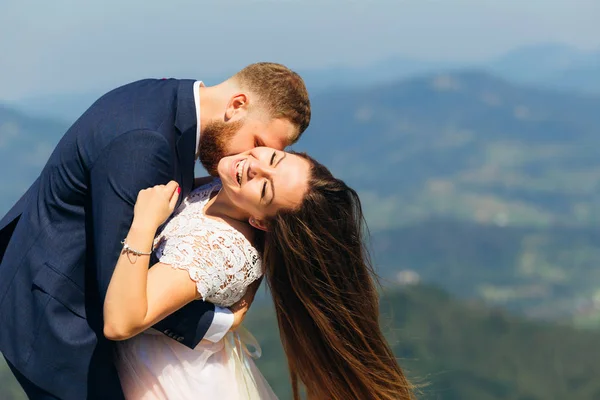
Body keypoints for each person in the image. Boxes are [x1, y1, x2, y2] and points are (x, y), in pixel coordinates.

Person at [0, 62, 310, 400]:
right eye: (257, 142)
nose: (249, 159)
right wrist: (218, 322)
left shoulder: (166, 100)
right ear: (236, 105)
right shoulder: (146, 145)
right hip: (57, 321)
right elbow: (121, 289)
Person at [106, 147, 414, 400]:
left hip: (162, 380)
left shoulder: (218, 250)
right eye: (274, 158)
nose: (256, 167)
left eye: (265, 188)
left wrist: (144, 223)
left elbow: (121, 323)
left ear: (261, 222)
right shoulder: (226, 188)